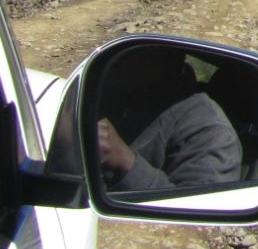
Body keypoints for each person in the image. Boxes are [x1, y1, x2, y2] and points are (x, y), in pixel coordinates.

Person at [96, 45, 243, 192]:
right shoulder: (112, 96)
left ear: (170, 56)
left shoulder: (212, 132)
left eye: (132, 52)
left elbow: (198, 210)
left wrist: (121, 160)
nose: (117, 62)